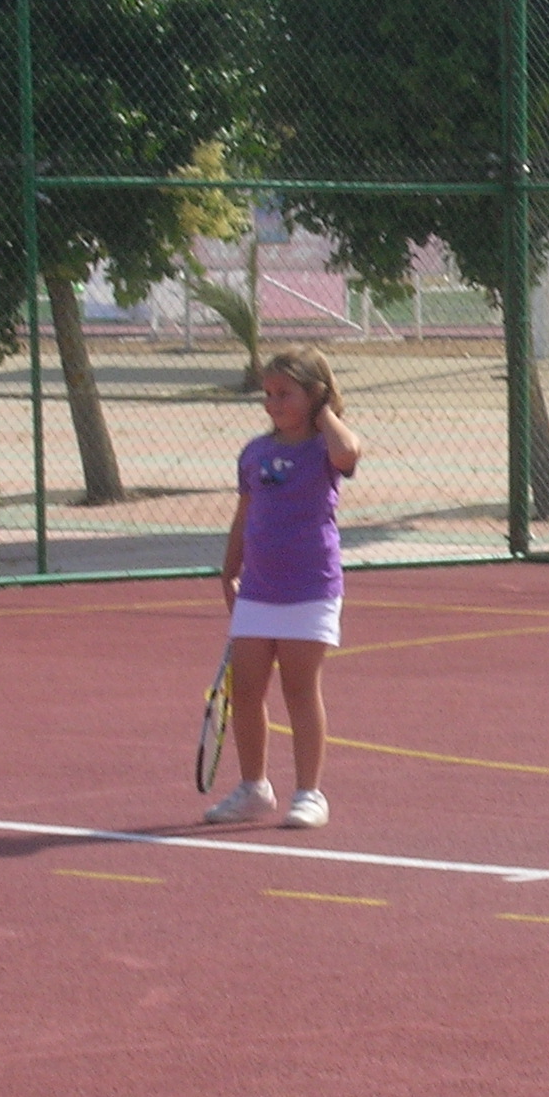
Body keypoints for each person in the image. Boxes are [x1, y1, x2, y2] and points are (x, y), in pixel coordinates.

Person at [205, 344, 363, 829]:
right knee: (246, 689)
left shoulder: (324, 448)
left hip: (310, 587)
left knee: (299, 689)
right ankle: (253, 787)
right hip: (258, 589)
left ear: (314, 394)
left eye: (285, 393)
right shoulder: (255, 452)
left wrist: (324, 412)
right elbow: (244, 515)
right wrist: (229, 570)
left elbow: (349, 453)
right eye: (268, 394)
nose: (272, 403)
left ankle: (309, 793)